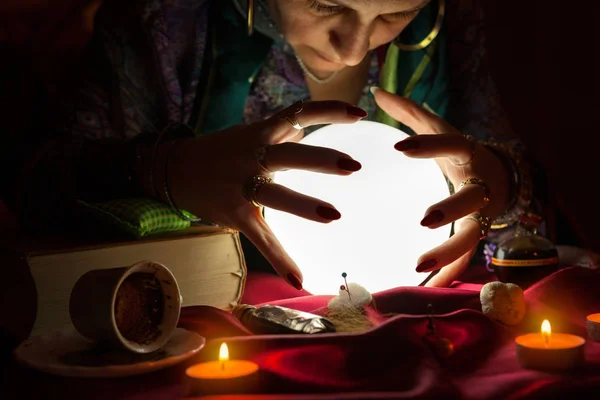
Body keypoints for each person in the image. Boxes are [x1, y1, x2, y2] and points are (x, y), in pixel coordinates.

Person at [5, 0, 536, 290]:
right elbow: (33, 183)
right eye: (325, 5)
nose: (354, 50)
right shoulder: (164, 20)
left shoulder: (447, 23)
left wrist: (497, 178)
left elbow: (527, 191)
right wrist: (164, 169)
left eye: (394, 16)